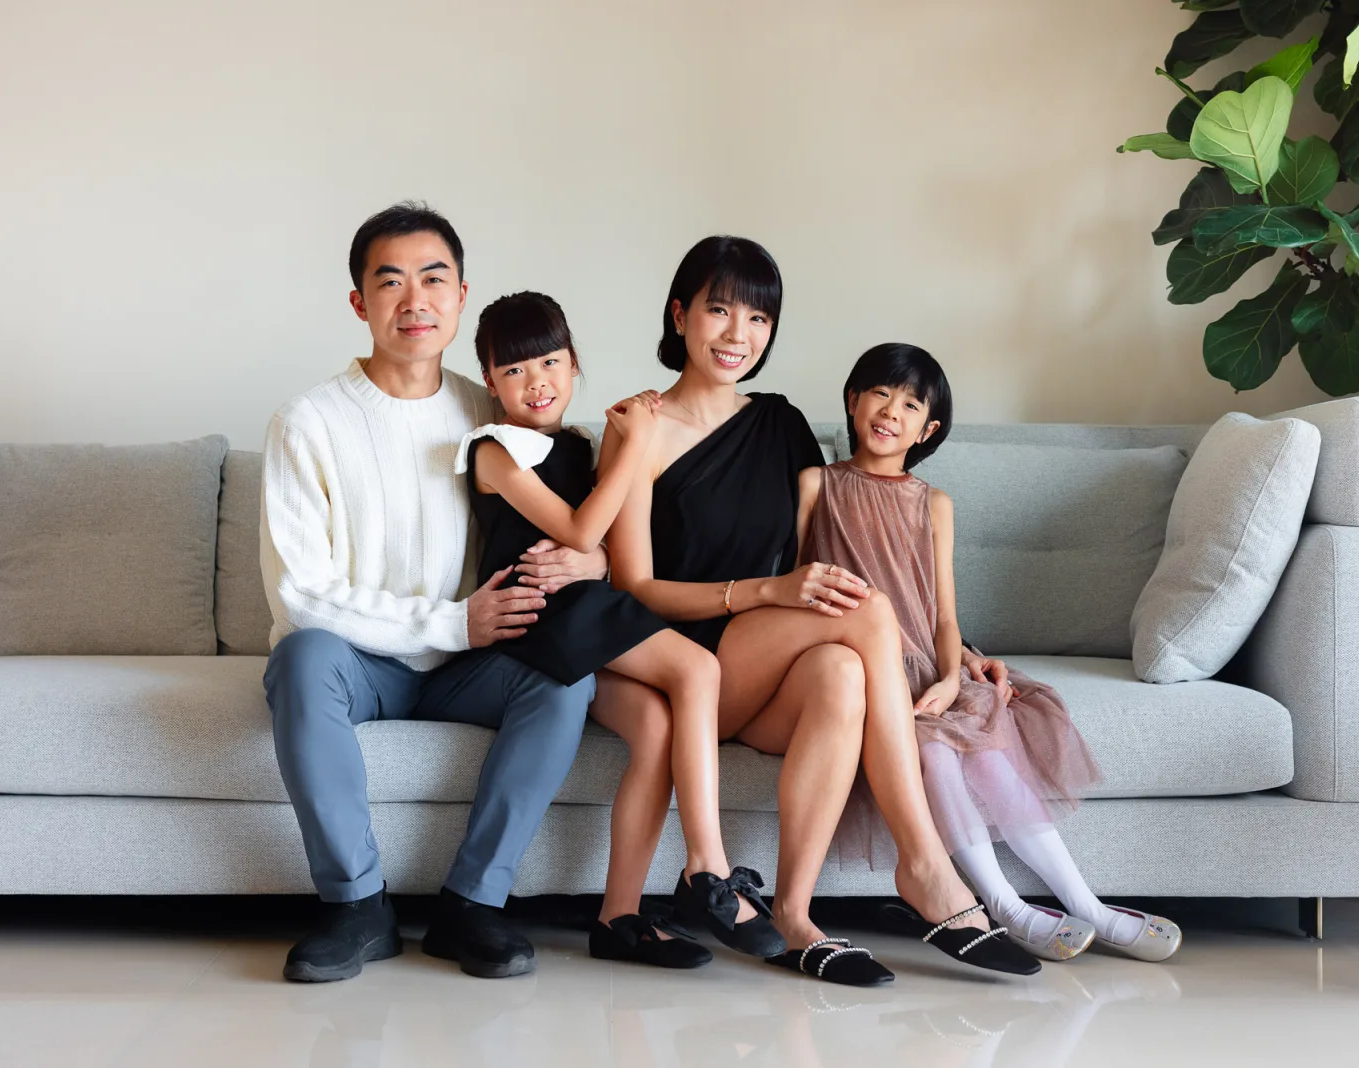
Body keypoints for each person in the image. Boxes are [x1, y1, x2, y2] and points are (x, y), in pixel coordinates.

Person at [597, 236, 1041, 986]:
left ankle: (796, 915)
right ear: (679, 315)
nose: (739, 334)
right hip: (681, 658)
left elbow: (845, 557)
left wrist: (958, 652)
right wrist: (764, 592)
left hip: (763, 662)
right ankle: (925, 866)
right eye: (719, 311)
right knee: (864, 617)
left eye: (759, 319)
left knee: (841, 669)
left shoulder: (779, 424)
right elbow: (633, 585)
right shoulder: (636, 425)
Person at [260, 202, 608, 983]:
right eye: (390, 282)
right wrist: (453, 622)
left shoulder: (495, 407)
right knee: (301, 658)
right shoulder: (307, 421)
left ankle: (472, 908)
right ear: (360, 303)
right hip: (366, 659)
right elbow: (299, 593)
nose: (414, 300)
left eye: (434, 279)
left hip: (469, 667)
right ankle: (356, 909)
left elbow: (575, 519)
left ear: (459, 297)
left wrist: (597, 564)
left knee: (564, 676)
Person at [798, 343, 1182, 964]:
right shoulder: (817, 486)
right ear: (852, 400)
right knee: (935, 752)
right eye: (880, 393)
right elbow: (796, 584)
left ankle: (1087, 904)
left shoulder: (933, 504)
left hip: (927, 667)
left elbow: (942, 614)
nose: (891, 411)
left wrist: (952, 676)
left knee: (984, 751)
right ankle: (1001, 905)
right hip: (858, 668)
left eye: (911, 403)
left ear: (930, 429)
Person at [457, 290, 785, 966]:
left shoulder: (576, 446)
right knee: (697, 669)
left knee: (659, 727)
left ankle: (618, 918)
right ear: (490, 382)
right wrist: (636, 444)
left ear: (575, 365)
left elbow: (604, 545)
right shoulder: (493, 451)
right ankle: (708, 869)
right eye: (513, 371)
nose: (536, 382)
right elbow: (579, 526)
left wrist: (597, 554)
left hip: (583, 615)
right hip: (538, 622)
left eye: (549, 362)